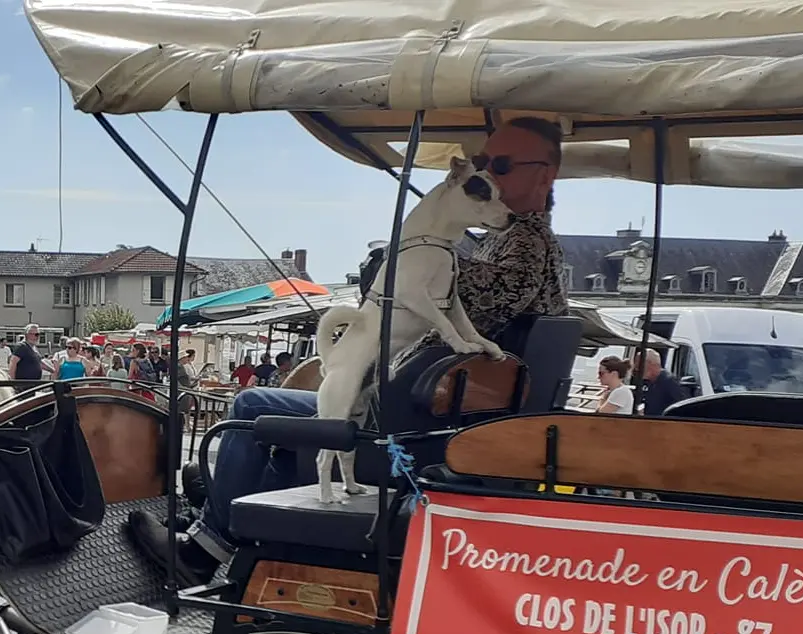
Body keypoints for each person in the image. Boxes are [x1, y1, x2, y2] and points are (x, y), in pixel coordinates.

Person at [129, 115, 571, 586]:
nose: (487, 175)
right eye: (483, 164)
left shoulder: (523, 245)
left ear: (544, 176)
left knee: (251, 404)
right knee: (281, 430)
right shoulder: (520, 247)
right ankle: (233, 524)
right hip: (433, 417)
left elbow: (465, 303)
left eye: (498, 164)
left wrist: (390, 262)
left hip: (413, 428)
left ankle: (203, 549)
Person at [639, 348, 687, 415]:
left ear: (651, 364)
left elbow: (681, 406)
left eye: (639, 364)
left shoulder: (669, 381)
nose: (636, 368)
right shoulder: (648, 382)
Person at [8, 323, 45, 390]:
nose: (36, 337)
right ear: (26, 335)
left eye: (38, 334)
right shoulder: (22, 347)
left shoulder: (34, 348)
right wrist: (12, 383)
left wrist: (53, 370)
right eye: (33, 334)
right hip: (23, 385)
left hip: (33, 385)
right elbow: (13, 363)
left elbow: (39, 363)